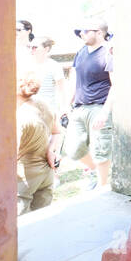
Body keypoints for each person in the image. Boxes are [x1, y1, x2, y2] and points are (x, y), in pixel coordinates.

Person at [65, 17, 114, 190]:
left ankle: (102, 186)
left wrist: (105, 112)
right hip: (79, 107)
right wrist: (67, 104)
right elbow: (74, 79)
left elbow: (116, 85)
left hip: (98, 106)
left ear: (99, 32)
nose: (81, 34)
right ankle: (95, 171)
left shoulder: (108, 52)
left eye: (85, 31)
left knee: (101, 150)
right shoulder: (81, 52)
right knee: (73, 149)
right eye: (79, 32)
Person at [17, 74, 61, 214]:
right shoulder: (44, 104)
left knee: (20, 226)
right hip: (46, 175)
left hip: (23, 181)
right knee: (41, 223)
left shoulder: (19, 118)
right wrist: (51, 150)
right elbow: (57, 132)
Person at [27, 34, 68, 116]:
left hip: (48, 111)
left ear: (46, 49)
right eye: (30, 47)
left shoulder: (54, 66)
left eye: (35, 47)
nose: (31, 50)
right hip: (28, 110)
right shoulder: (26, 65)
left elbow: (61, 91)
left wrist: (63, 110)